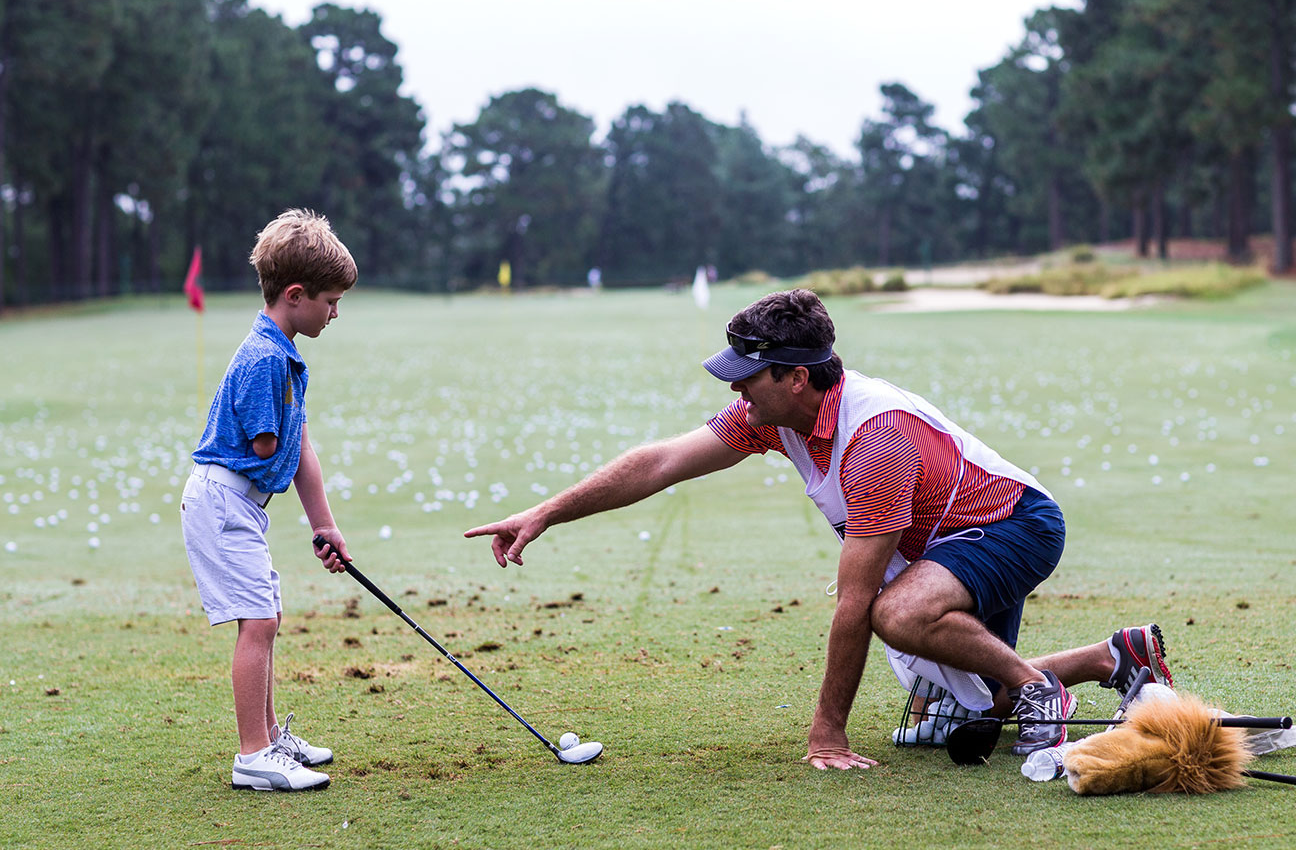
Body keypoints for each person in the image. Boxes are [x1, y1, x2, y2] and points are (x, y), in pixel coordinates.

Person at [465, 289, 1174, 770]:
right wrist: (546, 512)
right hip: (946, 544)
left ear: (796, 377)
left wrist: (827, 731)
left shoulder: (876, 439)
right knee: (974, 703)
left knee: (898, 614)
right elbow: (659, 464)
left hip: (1013, 526)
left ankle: (1037, 688)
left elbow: (855, 603)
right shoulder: (774, 417)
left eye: (748, 375)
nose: (734, 389)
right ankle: (1113, 658)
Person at [181, 209, 357, 791]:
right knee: (256, 621)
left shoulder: (283, 355)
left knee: (267, 616)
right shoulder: (263, 362)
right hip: (222, 504)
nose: (336, 313)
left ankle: (271, 735)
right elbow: (268, 446)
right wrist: (287, 445)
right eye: (330, 301)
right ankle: (253, 755)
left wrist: (324, 526)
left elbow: (300, 445)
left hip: (240, 506)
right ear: (296, 294)